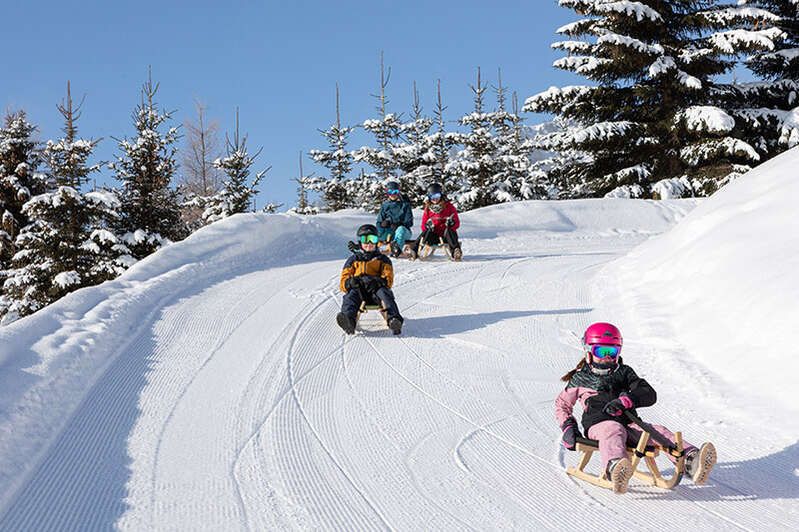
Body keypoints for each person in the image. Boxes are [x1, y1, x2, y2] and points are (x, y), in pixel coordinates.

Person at [555, 322, 716, 494]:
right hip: (598, 425)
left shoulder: (624, 372)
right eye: (601, 351)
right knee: (612, 429)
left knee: (657, 431)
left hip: (629, 423)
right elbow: (562, 404)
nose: (607, 357)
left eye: (613, 351)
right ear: (588, 351)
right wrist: (568, 426)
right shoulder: (580, 379)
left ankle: (692, 460)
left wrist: (626, 401)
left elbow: (648, 393)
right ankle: (615, 467)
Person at [338, 224, 404, 335]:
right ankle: (349, 320)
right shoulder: (353, 259)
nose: (369, 243)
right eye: (365, 239)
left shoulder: (383, 259)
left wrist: (378, 281)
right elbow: (344, 279)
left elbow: (388, 278)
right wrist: (349, 282)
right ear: (360, 242)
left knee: (385, 294)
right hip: (359, 290)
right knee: (350, 296)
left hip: (376, 291)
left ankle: (394, 319)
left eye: (372, 239)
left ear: (377, 242)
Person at [416, 183, 462, 260]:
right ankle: (414, 250)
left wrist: (452, 223)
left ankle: (456, 252)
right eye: (432, 197)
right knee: (426, 232)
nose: (435, 199)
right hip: (434, 236)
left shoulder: (449, 207)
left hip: (446, 236)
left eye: (437, 196)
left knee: (449, 230)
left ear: (441, 195)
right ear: (429, 197)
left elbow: (457, 223)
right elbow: (423, 225)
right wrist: (427, 226)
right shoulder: (428, 209)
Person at [376, 180, 413, 258]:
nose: (393, 194)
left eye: (395, 192)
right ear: (387, 193)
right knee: (373, 232)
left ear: (398, 192)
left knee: (400, 230)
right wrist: (383, 225)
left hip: (404, 232)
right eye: (390, 192)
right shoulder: (385, 205)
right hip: (390, 232)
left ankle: (396, 250)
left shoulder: (405, 205)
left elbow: (409, 222)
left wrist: (399, 224)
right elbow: (379, 222)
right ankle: (368, 249)